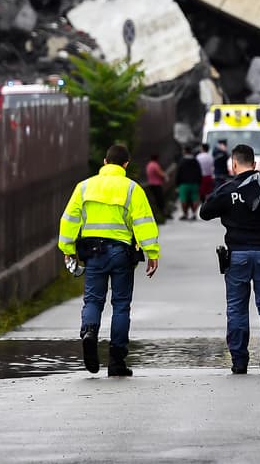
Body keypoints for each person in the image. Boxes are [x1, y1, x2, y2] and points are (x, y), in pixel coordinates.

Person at [57, 144, 160, 378]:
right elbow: (143, 222)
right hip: (121, 253)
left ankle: (89, 333)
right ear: (126, 165)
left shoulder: (84, 187)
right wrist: (152, 253)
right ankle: (116, 361)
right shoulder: (132, 189)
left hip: (93, 253)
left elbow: (69, 219)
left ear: (104, 162)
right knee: (121, 305)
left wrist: (67, 248)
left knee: (93, 301)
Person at [199, 144, 260, 375]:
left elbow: (205, 212)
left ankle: (239, 361)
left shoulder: (228, 189)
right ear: (255, 165)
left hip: (237, 255)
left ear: (234, 164)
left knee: (236, 308)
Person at [175, 146, 202, 220]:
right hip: (194, 183)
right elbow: (199, 172)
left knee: (183, 199)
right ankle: (194, 214)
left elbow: (178, 173)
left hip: (184, 184)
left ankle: (185, 214)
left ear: (184, 151)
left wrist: (177, 184)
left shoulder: (181, 161)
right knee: (195, 199)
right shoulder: (195, 161)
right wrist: (199, 182)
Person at [144, 153, 167, 225]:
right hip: (157, 184)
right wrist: (165, 176)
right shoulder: (155, 165)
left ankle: (159, 214)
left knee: (155, 200)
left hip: (151, 183)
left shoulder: (149, 165)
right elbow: (160, 174)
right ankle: (162, 214)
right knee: (160, 200)